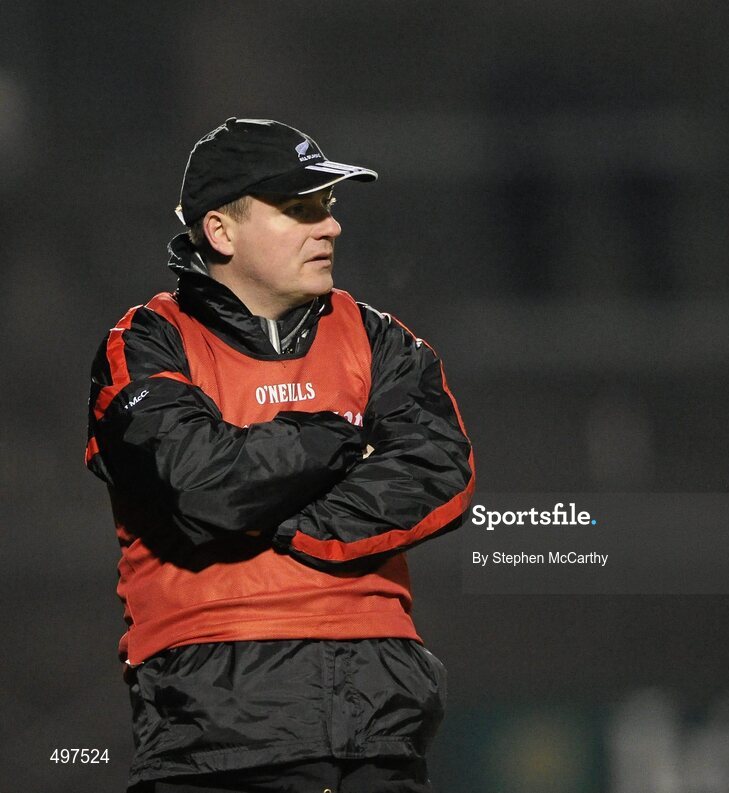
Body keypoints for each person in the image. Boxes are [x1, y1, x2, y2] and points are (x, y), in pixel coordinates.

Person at [85, 117, 476, 793]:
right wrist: (342, 439)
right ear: (221, 231)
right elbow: (202, 489)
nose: (330, 227)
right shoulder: (147, 342)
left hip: (378, 730)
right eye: (299, 209)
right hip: (214, 744)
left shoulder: (376, 337)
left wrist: (284, 519)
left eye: (326, 206)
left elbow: (441, 470)